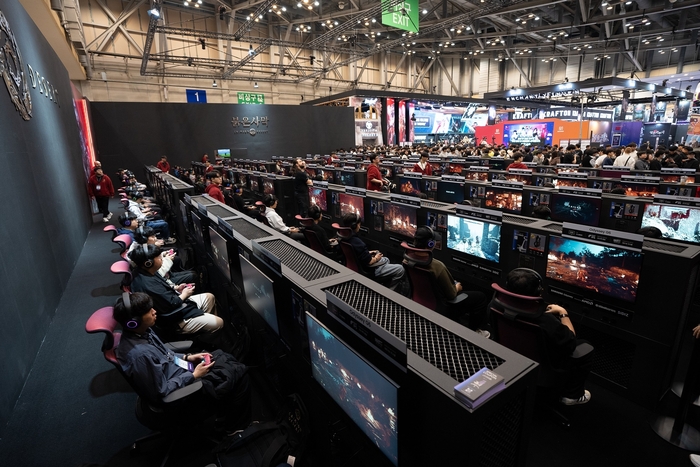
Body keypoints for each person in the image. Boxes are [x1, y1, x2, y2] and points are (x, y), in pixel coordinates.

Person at [113, 292, 250, 431]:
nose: (154, 311)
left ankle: (224, 413)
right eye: (149, 311)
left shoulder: (142, 332)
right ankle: (234, 429)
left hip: (180, 372)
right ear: (134, 322)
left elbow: (165, 355)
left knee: (220, 356)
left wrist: (187, 357)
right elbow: (161, 391)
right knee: (239, 374)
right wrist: (194, 375)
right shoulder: (141, 355)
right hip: (182, 390)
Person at [503, 268, 593, 405]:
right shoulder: (546, 320)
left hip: (511, 359)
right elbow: (571, 341)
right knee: (585, 347)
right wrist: (563, 313)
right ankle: (572, 396)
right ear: (539, 290)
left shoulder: (496, 304)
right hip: (544, 367)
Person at [408, 226, 489, 337]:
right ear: (430, 244)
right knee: (480, 297)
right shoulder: (437, 266)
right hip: (443, 308)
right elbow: (451, 295)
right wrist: (457, 287)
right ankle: (473, 334)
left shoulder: (407, 259)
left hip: (420, 301)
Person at [129, 243, 223, 335]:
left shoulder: (144, 272)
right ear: (148, 263)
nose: (161, 259)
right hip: (173, 318)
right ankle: (205, 335)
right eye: (158, 257)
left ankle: (204, 330)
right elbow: (172, 303)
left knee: (209, 297)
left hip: (176, 305)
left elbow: (163, 291)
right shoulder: (149, 284)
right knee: (219, 322)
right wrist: (185, 294)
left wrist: (176, 288)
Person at [342, 212, 408, 294]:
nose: (360, 226)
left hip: (355, 266)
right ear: (354, 226)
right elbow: (369, 262)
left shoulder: (344, 237)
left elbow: (355, 251)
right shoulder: (358, 242)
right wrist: (376, 258)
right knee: (400, 269)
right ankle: (388, 292)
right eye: (359, 224)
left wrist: (368, 252)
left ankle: (383, 283)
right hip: (368, 270)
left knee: (386, 259)